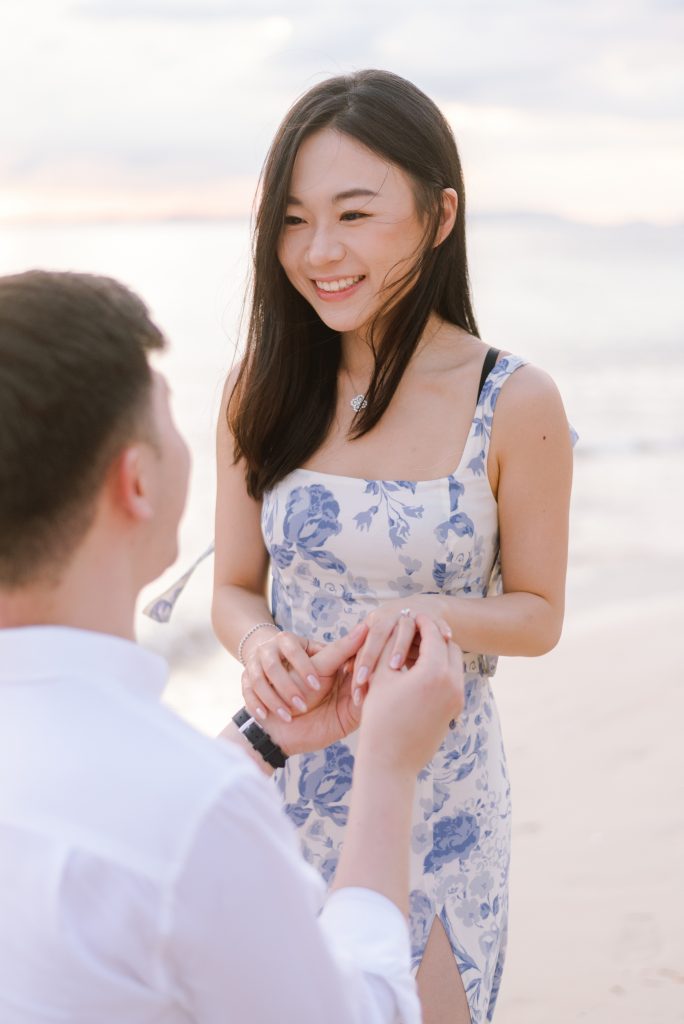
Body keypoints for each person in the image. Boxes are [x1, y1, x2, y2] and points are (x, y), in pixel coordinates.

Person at [0, 269, 465, 1023]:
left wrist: (258, 741)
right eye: (168, 414)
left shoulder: (176, 795)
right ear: (137, 481)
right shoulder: (196, 817)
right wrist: (387, 768)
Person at [212, 70, 574, 1024]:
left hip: (437, 793)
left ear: (439, 214)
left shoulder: (515, 400)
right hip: (279, 774)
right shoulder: (262, 385)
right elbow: (235, 588)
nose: (319, 251)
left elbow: (538, 615)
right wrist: (258, 644)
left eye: (356, 215)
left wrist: (423, 615)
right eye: (293, 220)